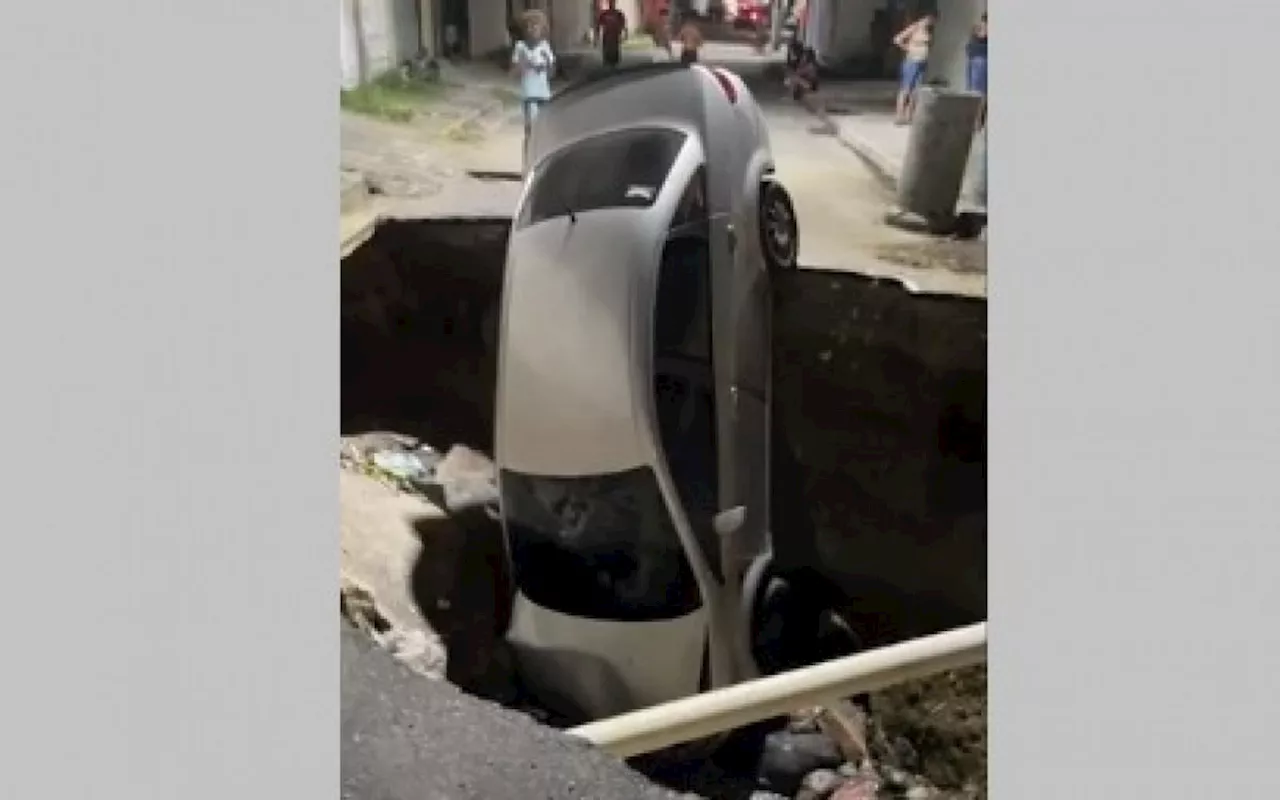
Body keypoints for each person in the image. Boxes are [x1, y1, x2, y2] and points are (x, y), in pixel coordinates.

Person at [511, 12, 555, 163]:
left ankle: (541, 160)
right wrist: (522, 64)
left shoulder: (545, 46)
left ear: (542, 29)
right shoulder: (520, 47)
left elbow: (552, 72)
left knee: (544, 129)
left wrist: (547, 62)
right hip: (529, 93)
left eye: (536, 27)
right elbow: (515, 71)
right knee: (531, 128)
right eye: (528, 27)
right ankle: (528, 161)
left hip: (544, 94)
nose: (532, 30)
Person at [892, 11, 934, 125]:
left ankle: (909, 115)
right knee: (906, 89)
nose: (929, 21)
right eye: (928, 19)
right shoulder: (914, 28)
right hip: (912, 61)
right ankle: (899, 115)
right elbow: (897, 39)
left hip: (922, 62)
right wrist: (908, 48)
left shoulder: (928, 31)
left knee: (916, 90)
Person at [967, 12, 988, 128]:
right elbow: (981, 35)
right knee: (978, 92)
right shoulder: (981, 27)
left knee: (977, 91)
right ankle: (976, 120)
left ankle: (976, 120)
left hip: (977, 59)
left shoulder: (978, 27)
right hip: (979, 60)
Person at [596, 0, 628, 68]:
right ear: (608, 3)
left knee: (615, 49)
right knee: (607, 49)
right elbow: (598, 24)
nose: (611, 4)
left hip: (615, 35)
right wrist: (597, 35)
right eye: (610, 2)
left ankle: (614, 63)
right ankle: (607, 62)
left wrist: (625, 34)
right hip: (607, 35)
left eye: (612, 2)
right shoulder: (604, 14)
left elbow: (623, 24)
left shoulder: (618, 14)